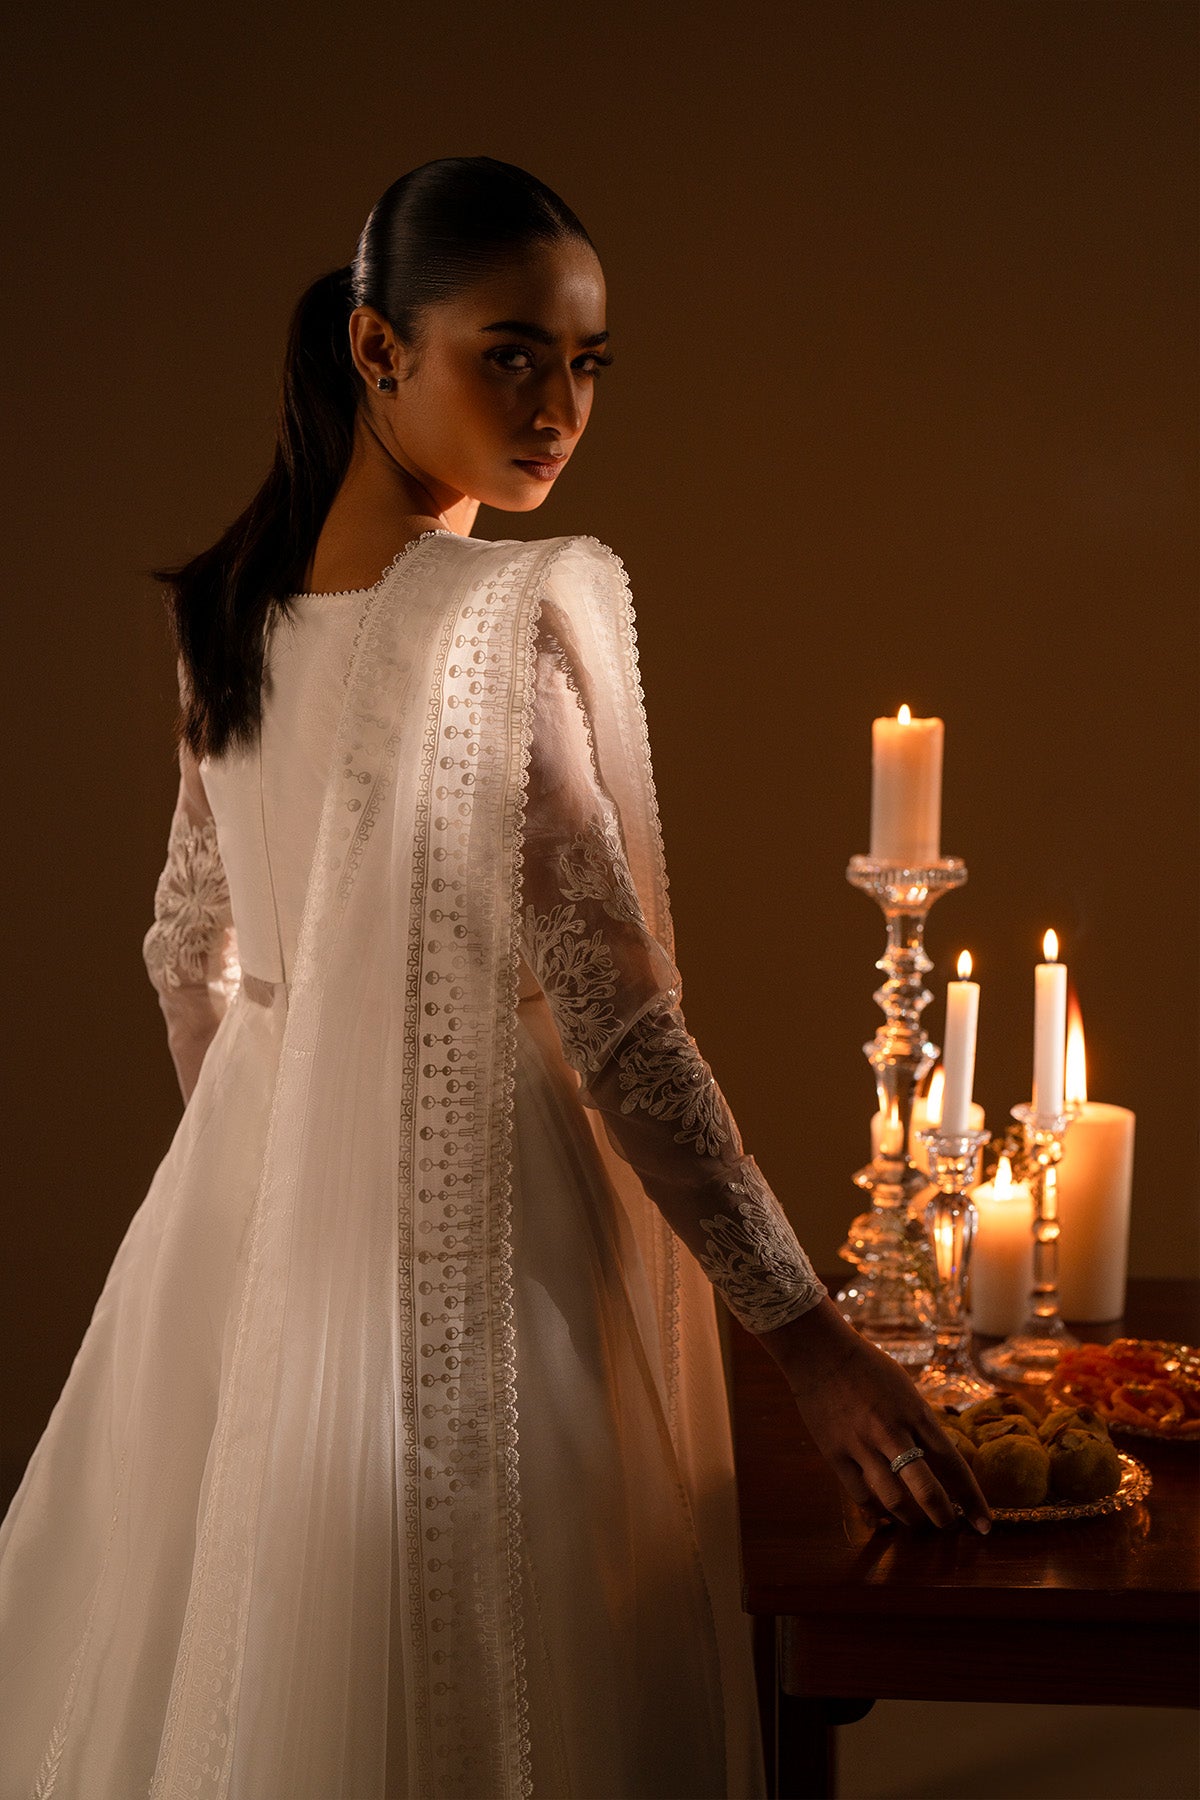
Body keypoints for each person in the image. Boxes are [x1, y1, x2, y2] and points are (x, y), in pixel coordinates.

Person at [0, 156, 991, 1799]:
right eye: (510, 354)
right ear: (379, 351)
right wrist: (807, 1342)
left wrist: (284, 1177)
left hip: (242, 1231)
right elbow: (617, 1025)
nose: (558, 408)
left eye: (587, 365)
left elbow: (192, 953)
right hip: (480, 1240)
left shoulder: (231, 611)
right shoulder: (485, 618)